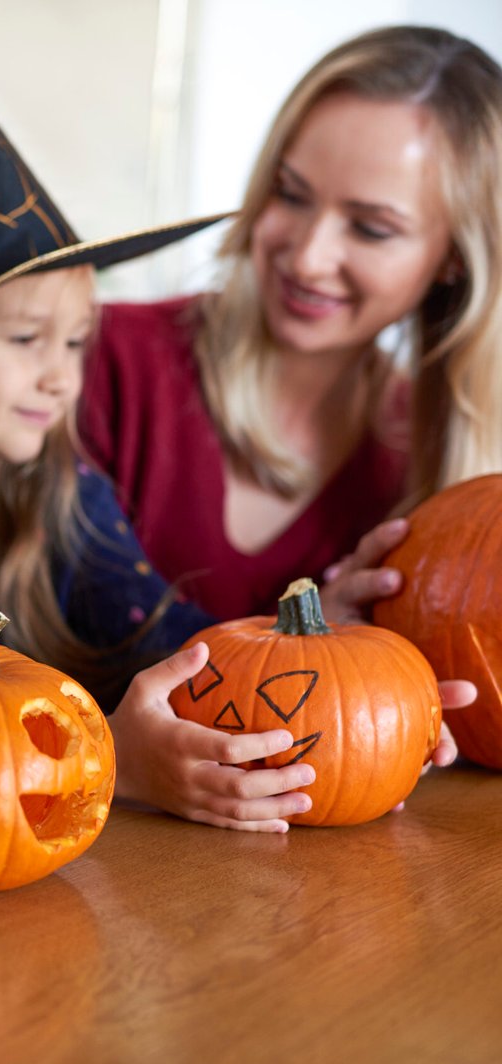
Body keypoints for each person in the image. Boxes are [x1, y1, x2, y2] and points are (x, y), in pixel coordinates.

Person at [0, 0, 332, 834]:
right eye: (27, 338)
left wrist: (325, 661)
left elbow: (182, 651)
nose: (60, 378)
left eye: (76, 343)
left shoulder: (59, 486)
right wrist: (115, 756)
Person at [79, 26, 502, 625]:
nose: (307, 257)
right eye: (291, 194)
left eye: (371, 228)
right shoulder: (101, 359)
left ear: (455, 259)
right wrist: (292, 642)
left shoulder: (429, 467)